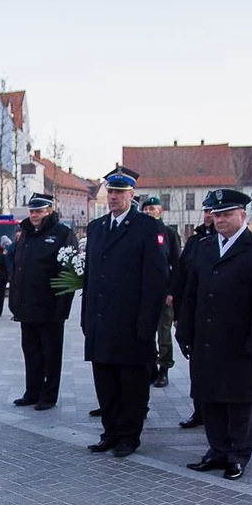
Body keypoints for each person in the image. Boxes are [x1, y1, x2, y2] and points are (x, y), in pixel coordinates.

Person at [178, 189, 252, 480]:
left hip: (240, 339)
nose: (219, 219)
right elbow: (191, 291)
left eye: (226, 214)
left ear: (242, 216)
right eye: (216, 214)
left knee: (240, 399)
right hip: (206, 338)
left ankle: (238, 455)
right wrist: (184, 329)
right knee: (210, 397)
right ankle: (217, 450)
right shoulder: (205, 247)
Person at [82, 167, 169, 458]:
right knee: (105, 383)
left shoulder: (146, 227)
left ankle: (129, 436)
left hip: (131, 323)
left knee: (131, 385)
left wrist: (147, 323)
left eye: (120, 193)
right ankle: (110, 432)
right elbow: (91, 276)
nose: (114, 198)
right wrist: (86, 317)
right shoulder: (96, 228)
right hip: (100, 322)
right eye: (111, 192)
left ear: (132, 195)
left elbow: (155, 280)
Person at [10, 193, 78, 411]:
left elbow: (67, 273)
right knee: (31, 351)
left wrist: (62, 308)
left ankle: (49, 395)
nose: (35, 215)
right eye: (32, 211)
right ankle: (32, 391)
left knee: (51, 353)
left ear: (49, 211)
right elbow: (17, 268)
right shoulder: (25, 234)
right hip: (27, 305)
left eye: (39, 211)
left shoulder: (62, 234)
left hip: (50, 307)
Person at [167, 196, 216, 428]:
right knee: (196, 366)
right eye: (206, 210)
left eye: (213, 211)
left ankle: (216, 413)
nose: (208, 215)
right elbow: (181, 273)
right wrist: (178, 309)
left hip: (218, 316)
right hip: (194, 312)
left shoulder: (226, 241)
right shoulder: (196, 241)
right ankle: (199, 411)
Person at [141, 196, 181, 388]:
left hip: (163, 291)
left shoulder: (169, 233)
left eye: (152, 209)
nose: (148, 212)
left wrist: (172, 291)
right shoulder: (138, 232)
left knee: (164, 332)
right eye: (146, 209)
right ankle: (150, 368)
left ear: (160, 211)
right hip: (143, 293)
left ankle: (164, 368)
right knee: (144, 332)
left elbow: (176, 264)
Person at [0, 235, 12, 318]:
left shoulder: (12, 250)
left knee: (13, 293)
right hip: (3, 274)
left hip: (11, 274)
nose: (6, 245)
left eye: (7, 243)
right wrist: (3, 255)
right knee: (0, 293)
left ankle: (14, 311)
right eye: (5, 244)